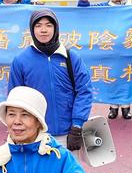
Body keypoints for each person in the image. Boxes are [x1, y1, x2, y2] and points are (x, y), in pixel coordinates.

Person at [8, 9, 93, 152]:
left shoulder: (71, 57)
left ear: (56, 28)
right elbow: (15, 99)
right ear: (32, 29)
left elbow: (84, 91)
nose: (43, 30)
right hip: (35, 134)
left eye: (48, 25)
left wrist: (77, 126)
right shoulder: (21, 61)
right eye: (38, 25)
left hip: (67, 134)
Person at [78, 0, 132, 120]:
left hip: (126, 48)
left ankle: (126, 107)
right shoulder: (104, 6)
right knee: (112, 76)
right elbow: (87, 12)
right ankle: (113, 107)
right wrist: (84, 1)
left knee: (126, 77)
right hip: (109, 48)